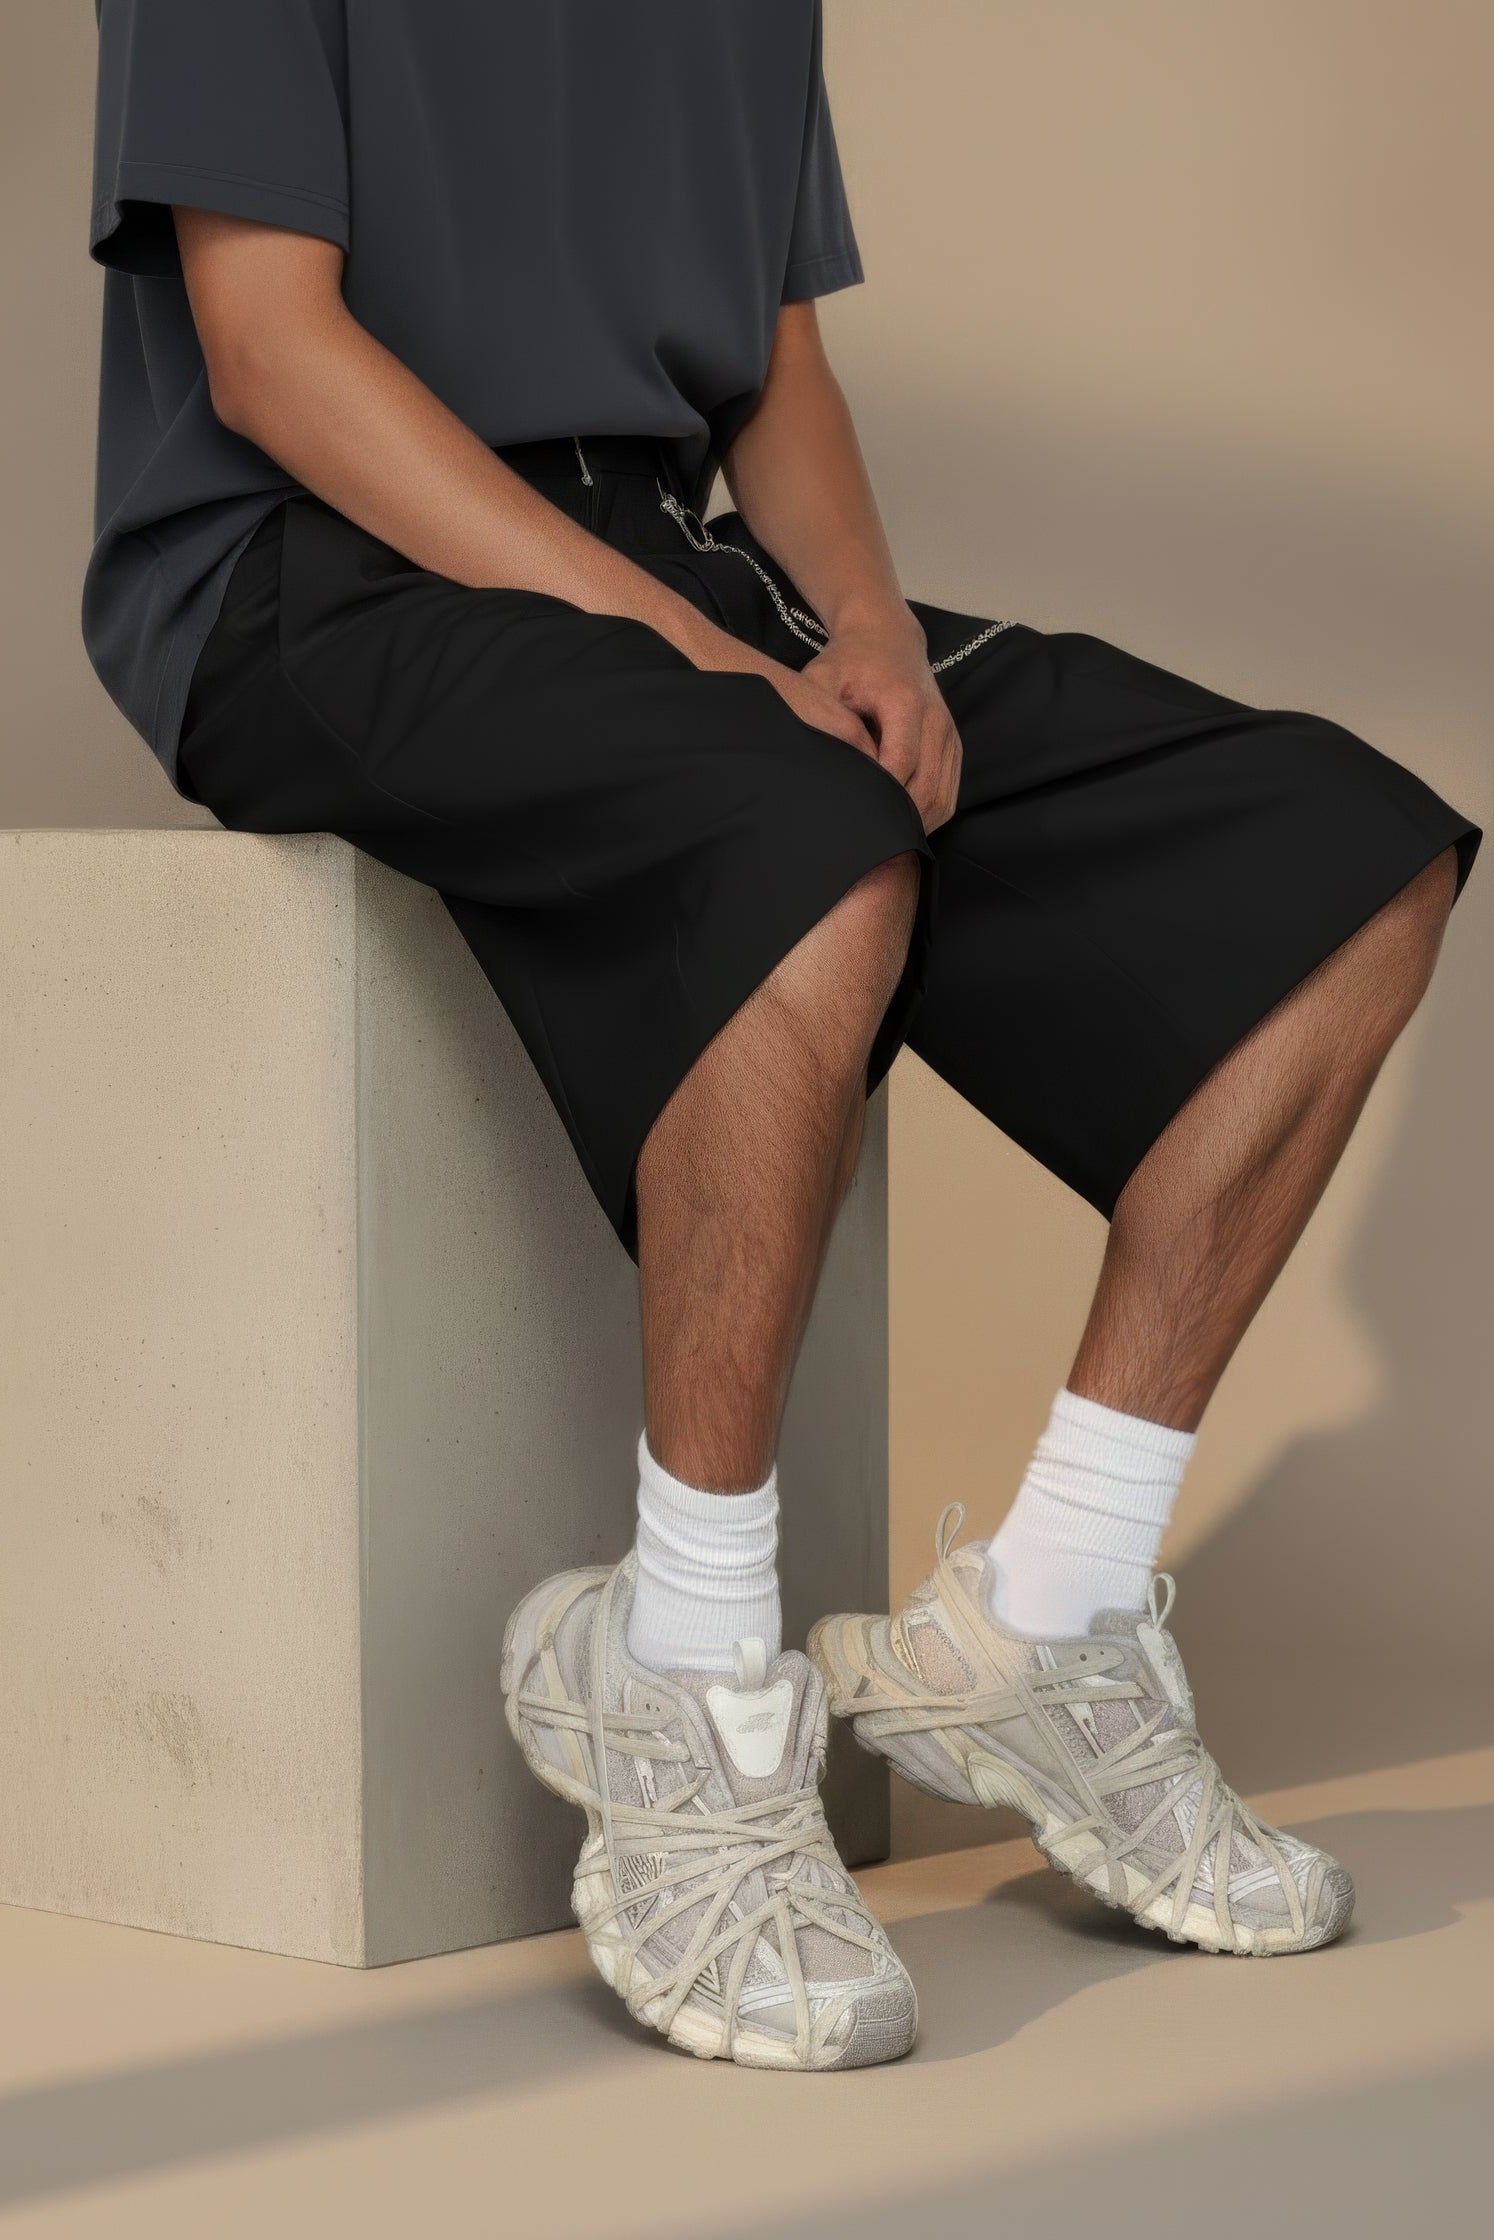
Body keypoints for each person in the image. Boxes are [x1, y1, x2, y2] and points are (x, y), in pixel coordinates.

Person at [86, 1, 1477, 2069]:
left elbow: (778, 367)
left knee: (1352, 861)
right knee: (810, 836)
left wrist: (877, 642)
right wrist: (697, 654)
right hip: (307, 579)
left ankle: (1052, 1612)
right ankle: (687, 1666)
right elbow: (273, 352)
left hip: (670, 554)